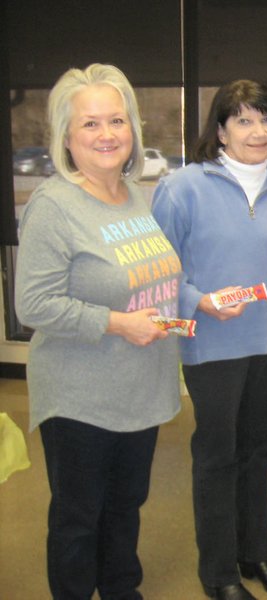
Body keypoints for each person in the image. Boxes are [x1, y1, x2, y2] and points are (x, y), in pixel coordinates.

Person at [14, 63, 181, 600]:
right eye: (90, 124)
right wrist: (116, 323)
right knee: (78, 518)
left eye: (117, 120)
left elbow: (154, 281)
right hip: (80, 396)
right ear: (66, 135)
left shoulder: (138, 196)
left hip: (139, 388)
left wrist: (201, 304)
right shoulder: (54, 206)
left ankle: (119, 589)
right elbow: (33, 304)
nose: (106, 134)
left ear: (133, 129)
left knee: (126, 505)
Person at [151, 81, 267, 600]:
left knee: (258, 452)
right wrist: (199, 301)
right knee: (217, 456)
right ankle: (219, 572)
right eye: (243, 120)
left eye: (266, 119)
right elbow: (156, 273)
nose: (258, 131)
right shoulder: (182, 188)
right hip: (211, 342)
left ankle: (255, 554)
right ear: (219, 130)